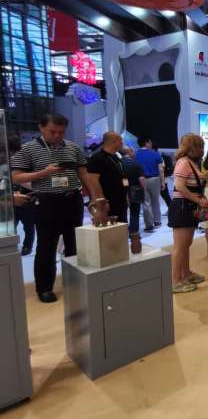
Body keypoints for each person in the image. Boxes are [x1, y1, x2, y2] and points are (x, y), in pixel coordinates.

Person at [11, 113, 93, 303]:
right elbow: (16, 176)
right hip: (47, 202)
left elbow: (83, 173)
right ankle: (45, 288)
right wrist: (44, 173)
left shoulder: (73, 147)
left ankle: (75, 283)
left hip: (72, 200)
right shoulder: (28, 149)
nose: (57, 135)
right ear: (41, 128)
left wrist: (94, 195)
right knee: (46, 246)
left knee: (75, 243)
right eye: (52, 131)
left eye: (61, 132)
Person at [167, 134, 208, 293]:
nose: (203, 150)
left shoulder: (190, 162)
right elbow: (179, 186)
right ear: (193, 147)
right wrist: (198, 200)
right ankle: (175, 280)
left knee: (186, 244)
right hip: (182, 207)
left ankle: (186, 273)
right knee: (180, 246)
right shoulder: (184, 162)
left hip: (188, 206)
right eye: (201, 146)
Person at [86, 132, 127, 225]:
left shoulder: (116, 157)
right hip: (107, 202)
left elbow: (123, 175)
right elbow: (93, 180)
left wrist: (126, 192)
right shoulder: (97, 158)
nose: (122, 144)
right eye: (121, 142)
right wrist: (102, 200)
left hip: (121, 200)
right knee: (110, 228)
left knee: (122, 225)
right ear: (114, 142)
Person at [8, 135, 35, 255]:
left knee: (28, 225)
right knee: (11, 226)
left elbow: (33, 182)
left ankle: (27, 247)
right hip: (9, 199)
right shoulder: (5, 163)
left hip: (25, 198)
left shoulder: (26, 161)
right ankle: (13, 246)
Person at [135, 136, 165, 231]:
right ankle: (157, 221)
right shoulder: (155, 154)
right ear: (147, 142)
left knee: (146, 202)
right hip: (154, 179)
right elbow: (161, 169)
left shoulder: (135, 154)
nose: (151, 144)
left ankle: (149, 225)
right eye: (150, 142)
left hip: (141, 180)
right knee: (155, 201)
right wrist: (163, 182)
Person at [121, 146, 146, 254]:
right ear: (130, 152)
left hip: (122, 191)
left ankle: (122, 232)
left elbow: (124, 179)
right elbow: (141, 179)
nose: (134, 153)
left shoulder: (120, 163)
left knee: (123, 212)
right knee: (135, 212)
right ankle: (134, 232)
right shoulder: (136, 164)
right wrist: (144, 190)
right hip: (135, 191)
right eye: (133, 151)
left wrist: (125, 189)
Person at [154, 143, 173, 208]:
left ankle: (171, 209)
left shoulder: (158, 156)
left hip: (160, 179)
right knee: (164, 195)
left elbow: (162, 169)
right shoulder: (157, 156)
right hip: (160, 179)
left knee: (165, 195)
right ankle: (171, 209)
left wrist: (162, 181)